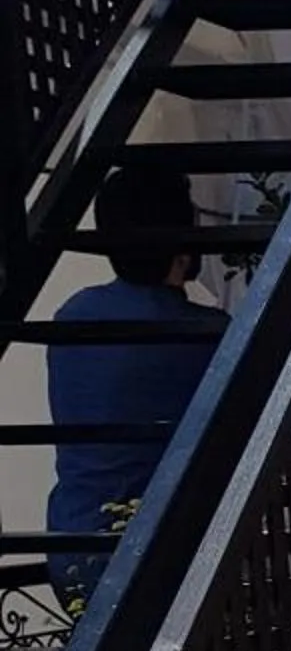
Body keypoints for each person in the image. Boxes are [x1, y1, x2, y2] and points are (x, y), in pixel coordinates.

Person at [46, 167, 227, 609]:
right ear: (180, 243)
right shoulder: (201, 336)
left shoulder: (74, 315)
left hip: (70, 540)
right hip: (150, 550)